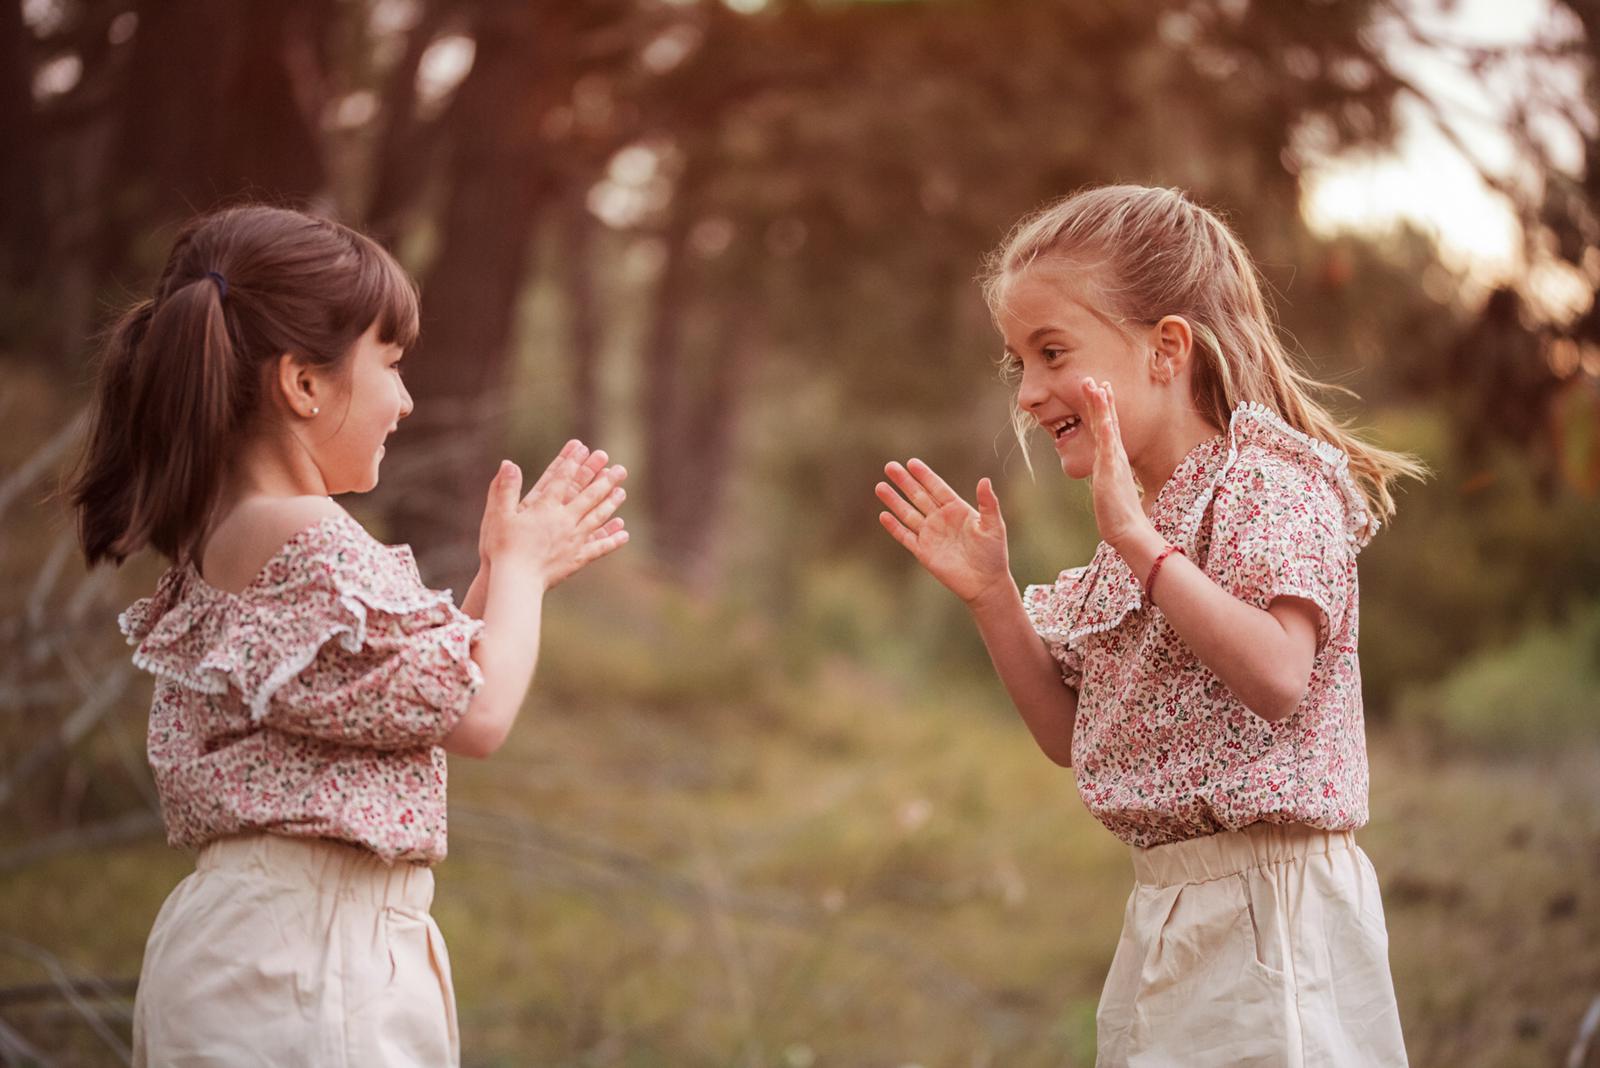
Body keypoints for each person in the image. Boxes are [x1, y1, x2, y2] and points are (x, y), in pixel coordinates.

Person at [69, 204, 629, 1066]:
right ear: (303, 383)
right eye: (392, 365)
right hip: (317, 963)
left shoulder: (232, 536)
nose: (405, 400)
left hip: (241, 950)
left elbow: (406, 690)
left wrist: (504, 575)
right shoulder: (316, 541)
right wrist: (518, 574)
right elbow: (476, 714)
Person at [875, 185, 1422, 1065]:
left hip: (1271, 919)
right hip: (1166, 915)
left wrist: (1137, 544)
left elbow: (1280, 676)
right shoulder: (1145, 522)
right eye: (1018, 362)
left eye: (1052, 352)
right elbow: (1069, 734)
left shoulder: (1264, 484)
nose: (1030, 392)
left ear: (1167, 348)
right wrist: (994, 598)